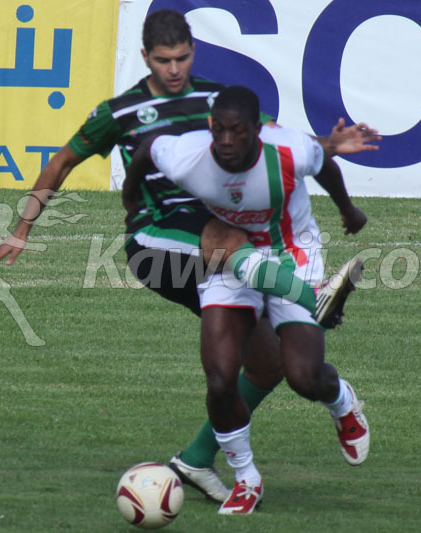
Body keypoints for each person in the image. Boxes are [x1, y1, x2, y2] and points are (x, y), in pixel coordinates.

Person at [0, 9, 376, 502]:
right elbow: (65, 160)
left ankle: (195, 459)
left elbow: (274, 144)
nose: (174, 69)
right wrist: (22, 229)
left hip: (224, 239)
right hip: (157, 236)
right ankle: (311, 295)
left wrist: (330, 146)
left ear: (193, 51)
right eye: (163, 60)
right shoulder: (121, 112)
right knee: (226, 240)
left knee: (268, 364)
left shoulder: (216, 100)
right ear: (146, 57)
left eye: (183, 58)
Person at [122, 85, 375, 514]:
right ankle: (246, 478)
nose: (225, 141)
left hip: (292, 255)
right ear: (209, 127)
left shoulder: (289, 151)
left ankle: (341, 400)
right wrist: (131, 201)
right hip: (227, 260)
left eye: (237, 131)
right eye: (218, 130)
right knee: (220, 379)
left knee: (304, 378)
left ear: (257, 131)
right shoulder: (188, 156)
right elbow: (147, 149)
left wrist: (348, 212)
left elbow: (324, 162)